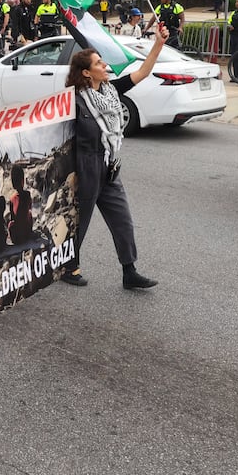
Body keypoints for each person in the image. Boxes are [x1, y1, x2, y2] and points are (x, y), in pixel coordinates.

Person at [61, 23, 170, 289]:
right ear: (87, 72)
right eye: (99, 63)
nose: (104, 65)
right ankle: (68, 265)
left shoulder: (110, 91)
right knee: (80, 220)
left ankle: (129, 271)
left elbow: (143, 72)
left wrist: (158, 44)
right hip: (85, 165)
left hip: (109, 165)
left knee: (122, 219)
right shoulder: (73, 100)